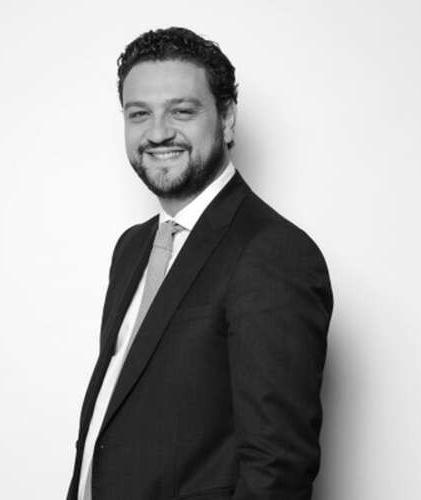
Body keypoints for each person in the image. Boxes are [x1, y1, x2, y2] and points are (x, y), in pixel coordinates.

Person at [67, 27, 333, 500]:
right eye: (139, 114)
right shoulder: (133, 248)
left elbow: (277, 469)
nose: (157, 133)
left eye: (182, 111)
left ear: (227, 119)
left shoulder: (273, 253)